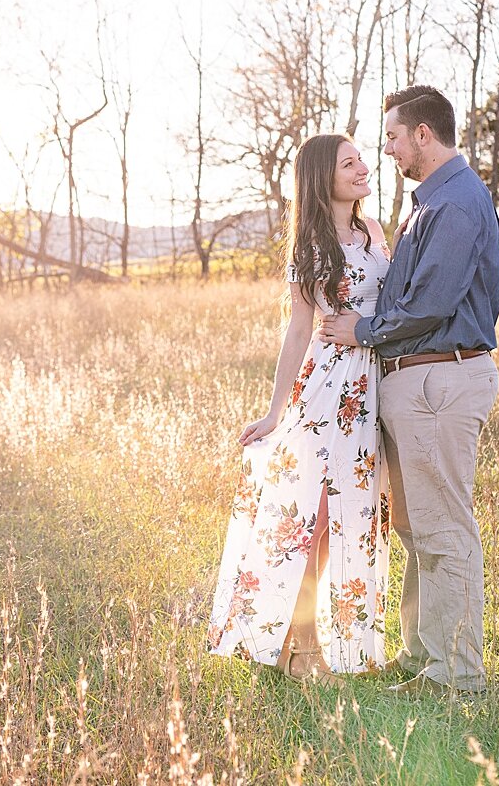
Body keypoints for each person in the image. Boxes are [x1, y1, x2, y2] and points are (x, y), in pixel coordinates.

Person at [319, 85, 499, 696]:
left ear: (424, 134)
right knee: (417, 526)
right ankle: (424, 654)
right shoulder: (429, 202)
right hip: (418, 379)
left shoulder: (454, 205)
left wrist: (363, 330)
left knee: (444, 528)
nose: (389, 151)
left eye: (395, 137)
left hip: (440, 376)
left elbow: (427, 304)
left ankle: (456, 674)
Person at [206, 133, 391, 683]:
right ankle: (303, 648)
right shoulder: (311, 245)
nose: (362, 168)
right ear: (322, 178)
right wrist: (272, 412)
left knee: (347, 519)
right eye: (348, 163)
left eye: (361, 159)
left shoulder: (374, 232)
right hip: (325, 391)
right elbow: (297, 331)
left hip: (369, 390)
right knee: (313, 518)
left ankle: (299, 637)